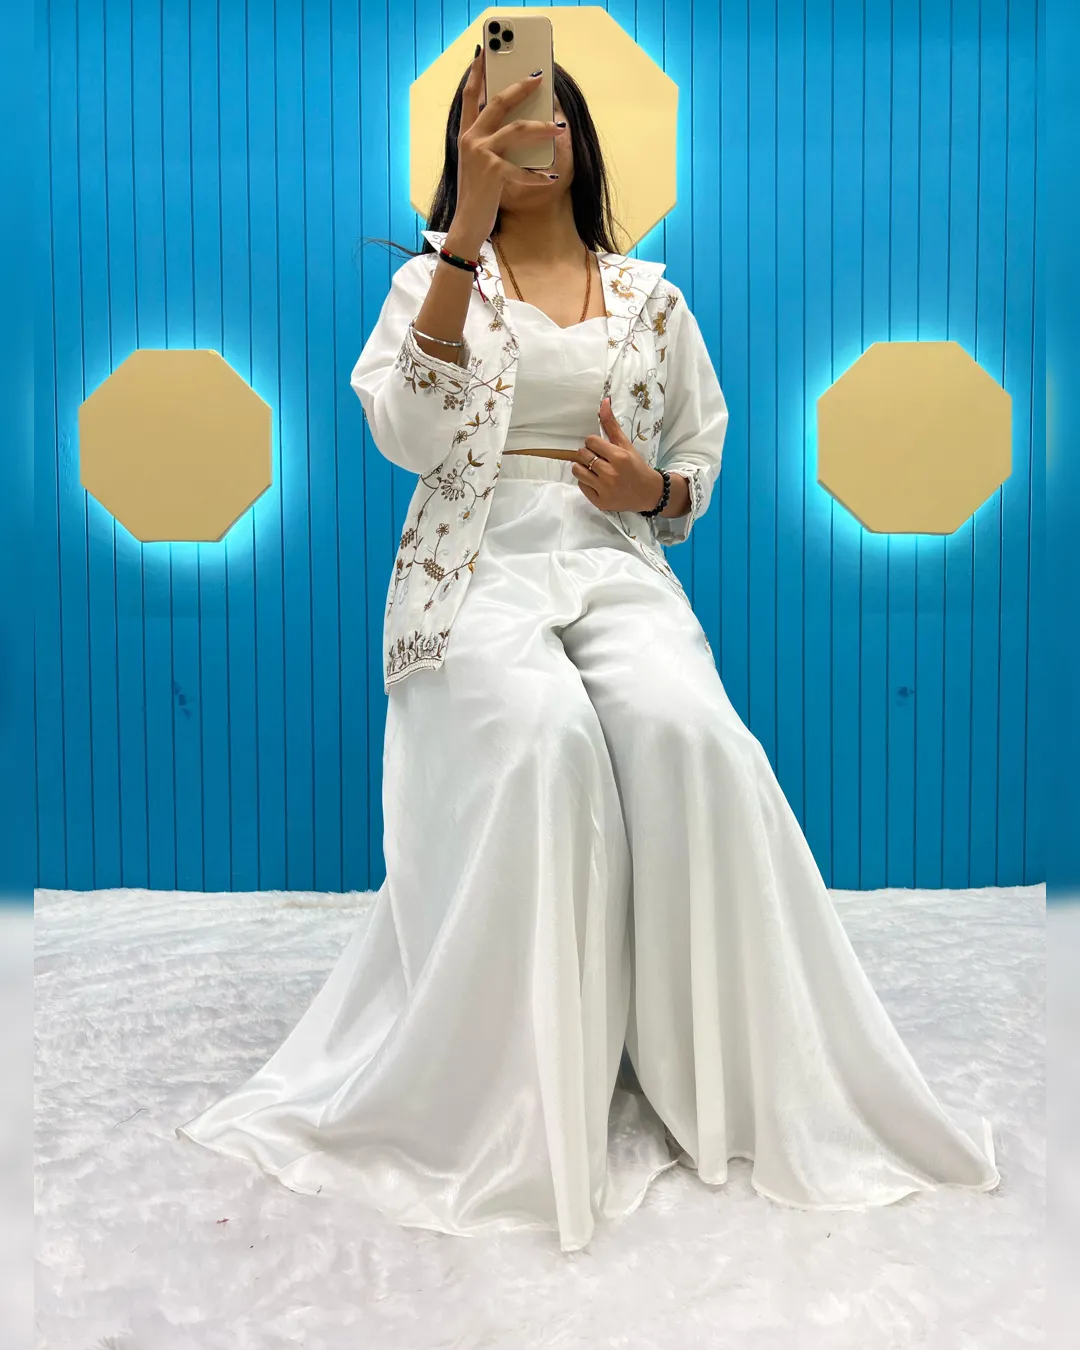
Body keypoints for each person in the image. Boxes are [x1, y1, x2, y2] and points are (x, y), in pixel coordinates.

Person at [177, 52, 1000, 1253]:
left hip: (612, 561)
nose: (528, 126)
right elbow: (407, 434)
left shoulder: (652, 298)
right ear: (463, 143)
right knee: (543, 740)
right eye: (494, 112)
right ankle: (521, 1092)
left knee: (692, 733)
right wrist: (462, 236)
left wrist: (648, 488)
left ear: (578, 132)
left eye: (544, 106)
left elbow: (697, 458)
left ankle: (713, 1071)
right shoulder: (430, 282)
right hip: (474, 567)